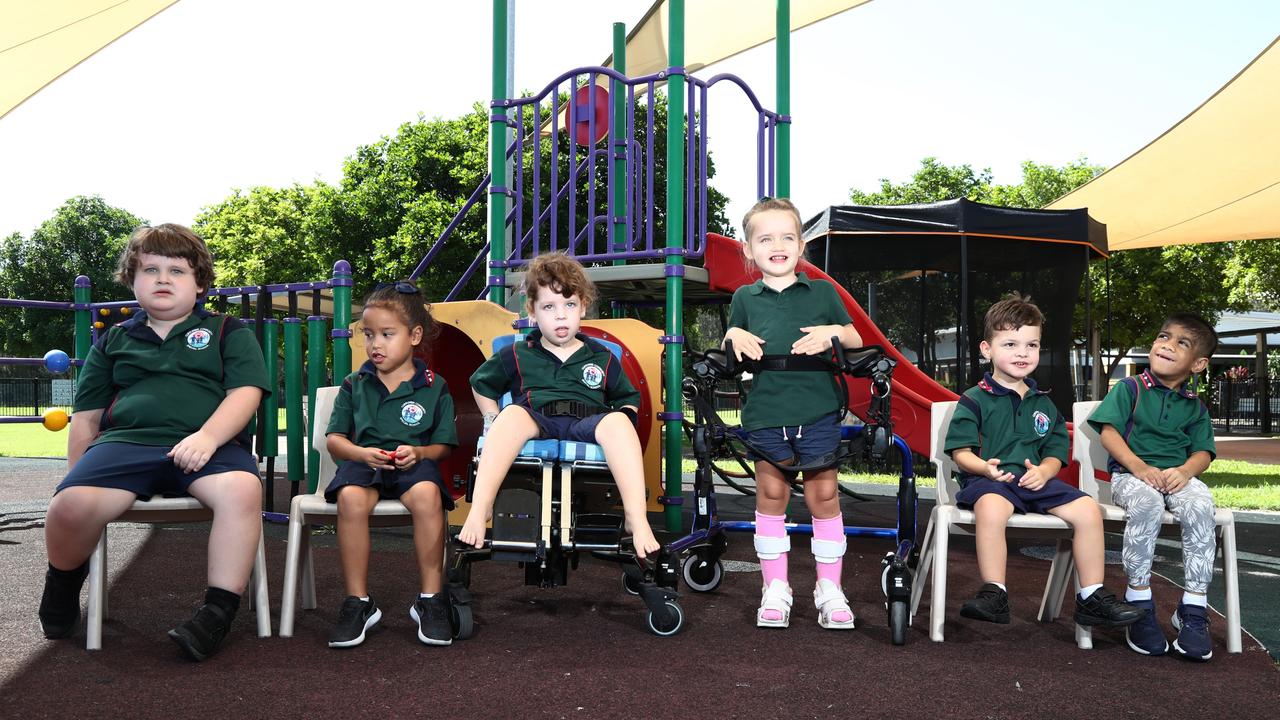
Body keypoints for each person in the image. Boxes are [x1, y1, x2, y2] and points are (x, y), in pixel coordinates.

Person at [38, 224, 269, 661]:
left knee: (243, 488)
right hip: (126, 444)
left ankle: (216, 613)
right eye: (151, 269)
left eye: (177, 271)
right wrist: (75, 478)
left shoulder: (226, 331)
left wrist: (207, 436)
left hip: (210, 446)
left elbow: (245, 393)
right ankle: (64, 581)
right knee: (68, 506)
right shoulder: (115, 340)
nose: (163, 279)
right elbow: (87, 416)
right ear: (132, 279)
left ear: (199, 283)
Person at [945, 294, 1144, 632]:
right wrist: (983, 468)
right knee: (991, 508)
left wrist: (1045, 471)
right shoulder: (974, 398)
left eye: (1031, 345)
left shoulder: (1045, 404)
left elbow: (1055, 452)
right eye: (1010, 343)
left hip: (1035, 483)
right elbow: (960, 452)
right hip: (991, 481)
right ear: (986, 349)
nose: (1022, 353)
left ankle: (1091, 595)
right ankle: (995, 591)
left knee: (1088, 510)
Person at [457, 252, 660, 559]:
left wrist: (623, 419)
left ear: (583, 308)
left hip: (587, 421)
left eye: (569, 305)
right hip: (537, 418)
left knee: (618, 422)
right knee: (510, 416)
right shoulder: (519, 352)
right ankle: (482, 505)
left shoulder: (600, 357)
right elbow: (480, 383)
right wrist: (491, 416)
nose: (560, 315)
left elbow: (627, 397)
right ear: (533, 313)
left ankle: (636, 517)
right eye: (549, 307)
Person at [722, 197, 863, 630]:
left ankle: (829, 589)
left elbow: (856, 336)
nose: (777, 245)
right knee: (772, 498)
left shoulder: (822, 291)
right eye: (765, 239)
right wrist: (732, 335)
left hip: (817, 409)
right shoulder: (745, 296)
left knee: (824, 498)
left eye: (787, 237)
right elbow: (733, 341)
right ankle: (776, 588)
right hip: (766, 411)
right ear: (748, 250)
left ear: (801, 245)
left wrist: (833, 333)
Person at [323, 282, 459, 648]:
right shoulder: (355, 384)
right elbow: (334, 439)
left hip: (413, 465)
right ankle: (358, 602)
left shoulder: (434, 386)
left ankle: (430, 600)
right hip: (364, 462)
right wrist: (358, 452)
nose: (375, 345)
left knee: (429, 495)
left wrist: (420, 453)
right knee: (350, 498)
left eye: (386, 334)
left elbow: (444, 446)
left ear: (415, 335)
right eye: (368, 335)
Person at [1087, 313, 1219, 661]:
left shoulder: (1195, 406)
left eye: (1182, 343)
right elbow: (1109, 433)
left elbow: (1203, 452)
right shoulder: (1129, 389)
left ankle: (1192, 608)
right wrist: (1140, 468)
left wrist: (1186, 472)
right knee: (1146, 504)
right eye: (1164, 337)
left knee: (1201, 505)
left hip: (1176, 478)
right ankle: (1138, 601)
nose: (1167, 345)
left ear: (1198, 364)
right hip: (1131, 476)